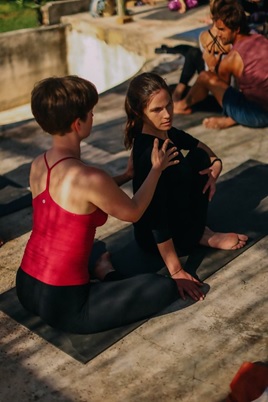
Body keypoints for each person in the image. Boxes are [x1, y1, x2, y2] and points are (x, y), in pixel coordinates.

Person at [15, 75, 182, 334]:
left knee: (91, 248)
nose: (93, 117)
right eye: (91, 113)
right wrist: (156, 170)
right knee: (162, 287)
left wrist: (126, 176)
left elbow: (74, 194)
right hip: (65, 304)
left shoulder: (39, 164)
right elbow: (135, 211)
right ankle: (107, 274)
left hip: (25, 286)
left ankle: (100, 270)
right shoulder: (91, 178)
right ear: (77, 123)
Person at [124, 72, 248, 301]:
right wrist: (176, 270)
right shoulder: (148, 154)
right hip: (160, 239)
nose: (167, 114)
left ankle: (199, 230)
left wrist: (216, 166)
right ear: (139, 112)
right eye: (157, 110)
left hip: (175, 217)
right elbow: (155, 217)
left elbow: (200, 147)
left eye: (169, 104)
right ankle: (199, 235)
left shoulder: (166, 132)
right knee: (193, 163)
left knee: (200, 159)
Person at [173, 0, 268, 129]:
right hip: (262, 106)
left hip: (258, 115)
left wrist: (212, 66)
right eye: (217, 28)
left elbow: (222, 94)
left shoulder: (231, 59)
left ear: (236, 29)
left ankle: (182, 106)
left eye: (222, 29)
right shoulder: (261, 39)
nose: (218, 34)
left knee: (205, 77)